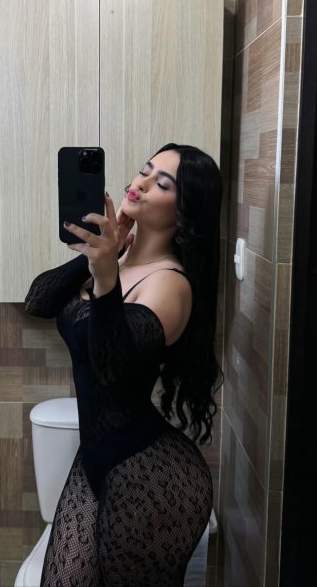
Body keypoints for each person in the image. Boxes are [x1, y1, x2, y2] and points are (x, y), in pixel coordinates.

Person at [24, 143, 223, 587]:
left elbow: (111, 366)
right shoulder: (114, 258)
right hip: (94, 461)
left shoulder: (170, 285)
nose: (142, 183)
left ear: (185, 212)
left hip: (149, 478)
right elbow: (39, 301)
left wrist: (106, 278)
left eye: (162, 183)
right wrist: (98, 256)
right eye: (144, 171)